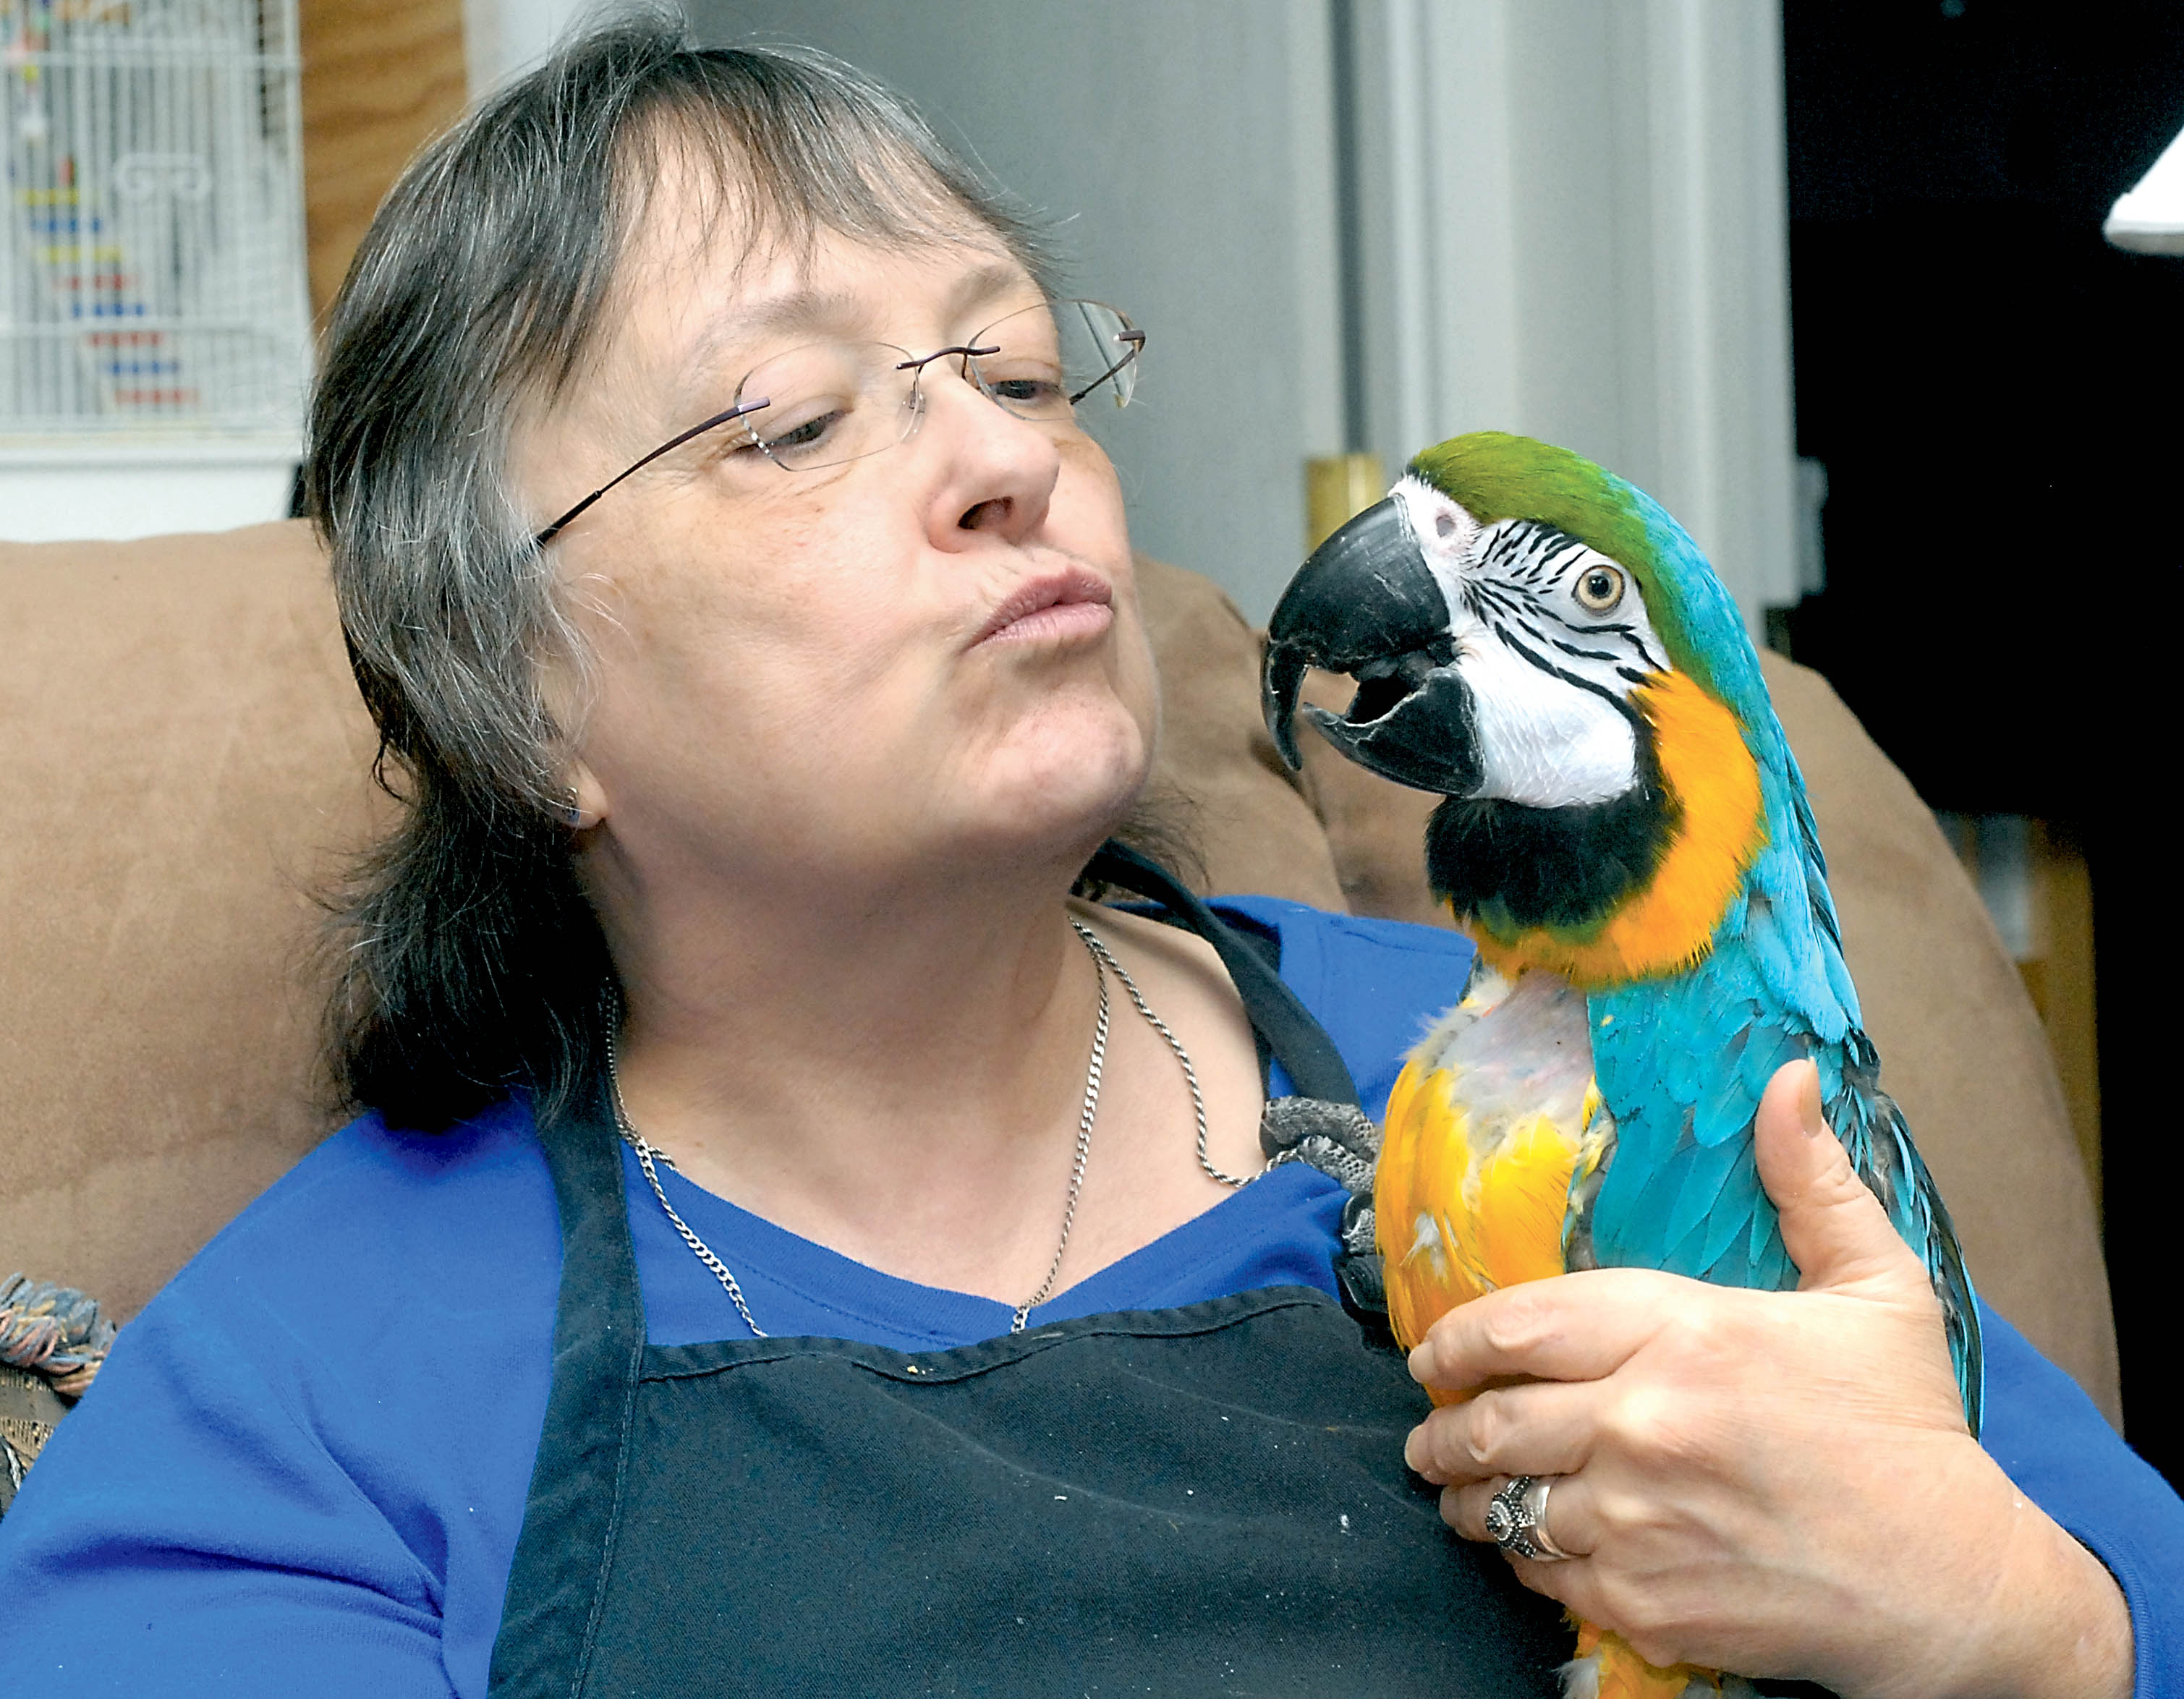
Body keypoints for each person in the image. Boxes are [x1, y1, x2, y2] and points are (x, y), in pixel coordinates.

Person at [1, 17, 2177, 1697]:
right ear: (512, 689)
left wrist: (2009, 1624)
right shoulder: (300, 1401)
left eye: (1020, 370)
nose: (998, 465)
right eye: (788, 422)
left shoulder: (1591, 1078)